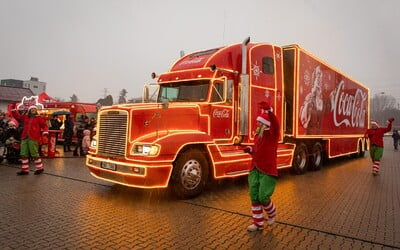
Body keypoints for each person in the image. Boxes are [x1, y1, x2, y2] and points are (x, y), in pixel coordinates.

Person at [244, 102, 280, 232]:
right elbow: (258, 150)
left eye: (260, 122)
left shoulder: (272, 135)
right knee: (254, 196)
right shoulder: (258, 136)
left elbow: (275, 124)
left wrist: (269, 112)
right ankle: (258, 223)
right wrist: (250, 150)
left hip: (268, 170)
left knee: (263, 196)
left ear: (266, 124)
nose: (257, 124)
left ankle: (272, 213)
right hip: (255, 168)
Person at [12, 105, 48, 175]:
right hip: (24, 137)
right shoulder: (25, 117)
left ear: (36, 110)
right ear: (29, 110)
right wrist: (13, 109)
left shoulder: (39, 118)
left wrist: (45, 131)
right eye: (32, 109)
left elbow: (44, 125)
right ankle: (25, 170)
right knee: (23, 153)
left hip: (34, 137)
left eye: (35, 109)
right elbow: (17, 116)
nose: (33, 110)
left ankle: (40, 168)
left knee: (34, 153)